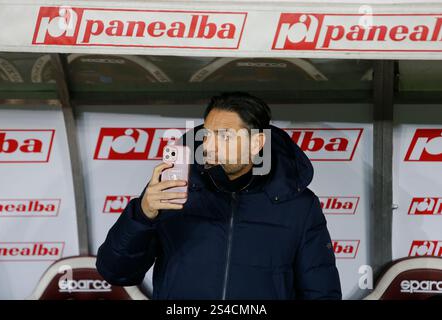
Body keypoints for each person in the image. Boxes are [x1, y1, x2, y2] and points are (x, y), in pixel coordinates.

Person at [96, 92, 342, 300]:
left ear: (256, 144)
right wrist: (142, 214)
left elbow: (322, 293)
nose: (210, 146)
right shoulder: (172, 190)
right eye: (208, 134)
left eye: (224, 136)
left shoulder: (299, 205)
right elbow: (116, 272)